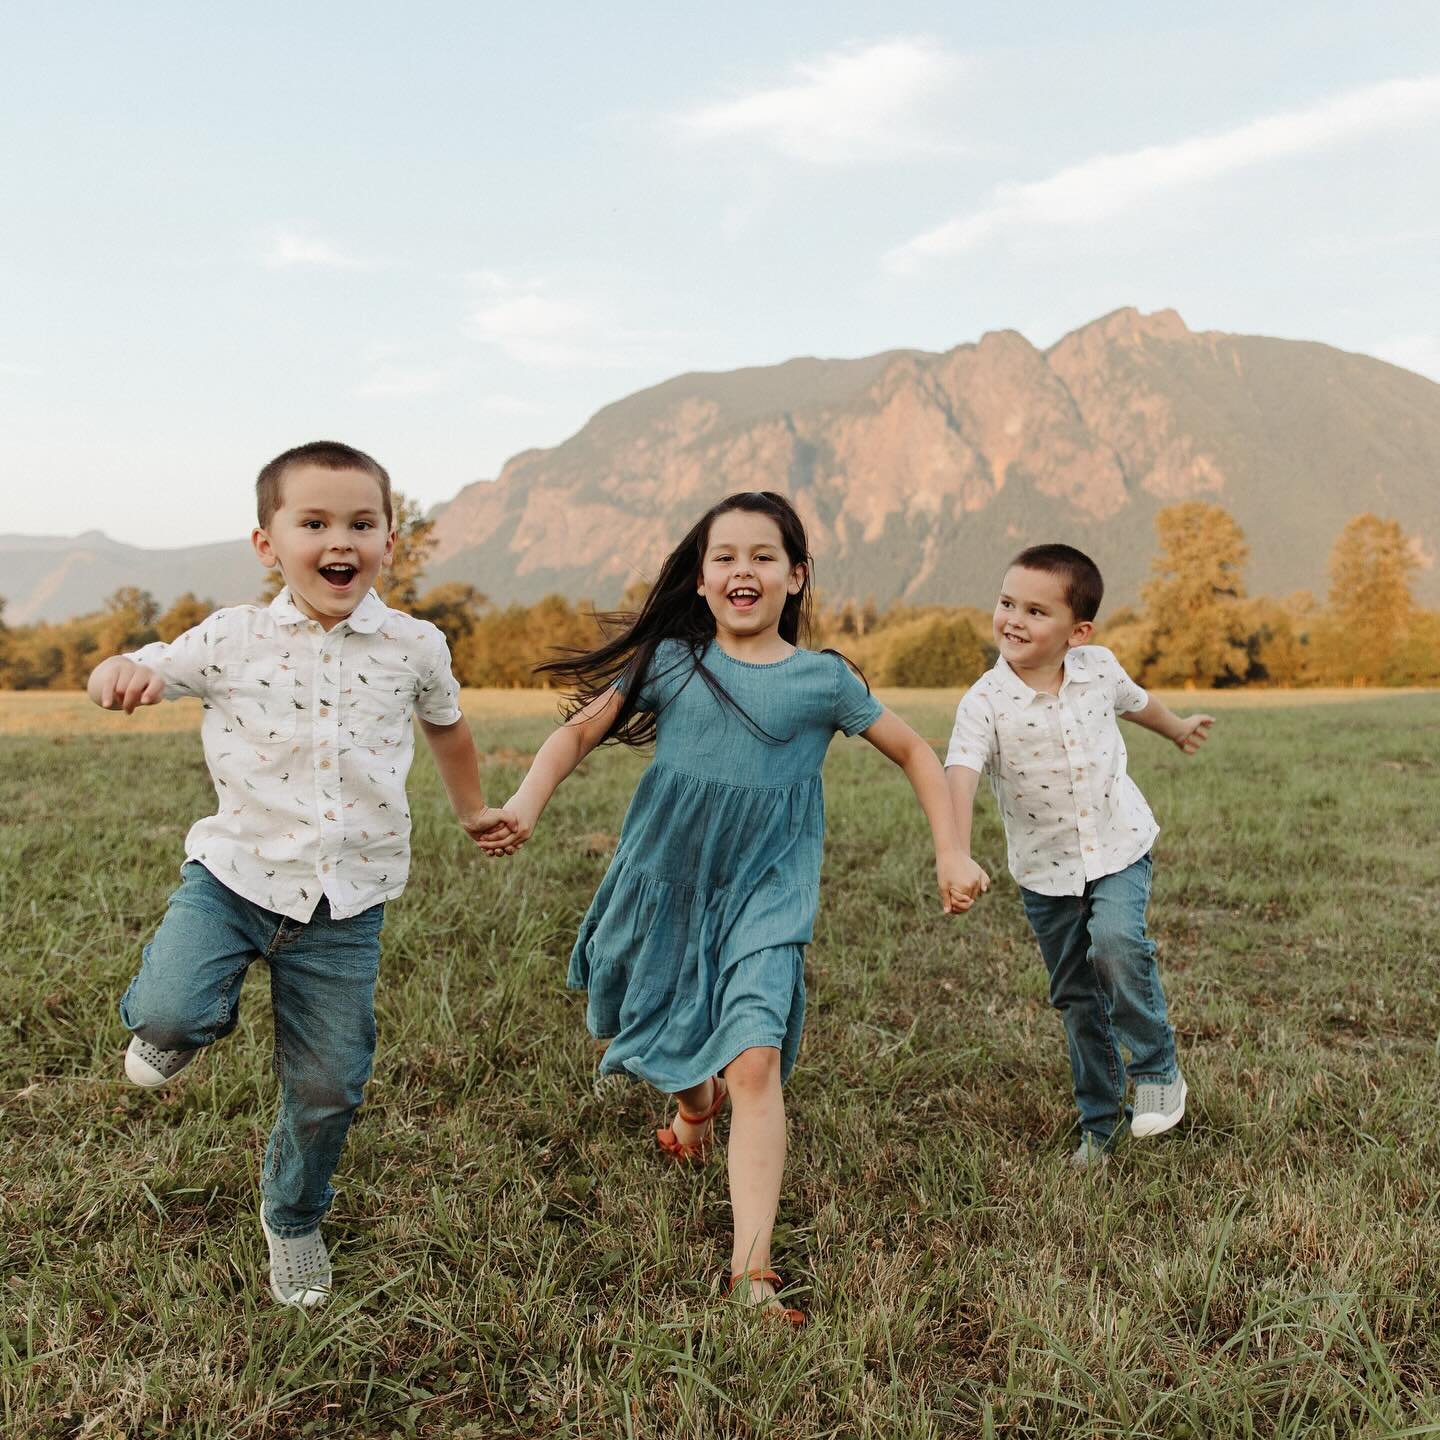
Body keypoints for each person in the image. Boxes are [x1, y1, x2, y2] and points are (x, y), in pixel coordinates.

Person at [479, 491, 983, 1325]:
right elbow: (576, 734)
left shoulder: (824, 680)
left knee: (755, 1058)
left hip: (768, 888)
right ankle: (692, 1105)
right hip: (666, 882)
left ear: (796, 574)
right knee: (658, 1017)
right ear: (702, 579)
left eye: (761, 556)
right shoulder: (673, 663)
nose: (742, 569)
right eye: (724, 557)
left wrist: (951, 849)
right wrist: (527, 803)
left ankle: (752, 1274)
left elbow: (917, 751)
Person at [86, 440, 514, 1306]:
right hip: (235, 877)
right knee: (173, 1003)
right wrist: (115, 673)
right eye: (313, 522)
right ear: (267, 543)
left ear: (391, 540)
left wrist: (471, 808)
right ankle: (169, 1028)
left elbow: (449, 729)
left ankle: (293, 1218)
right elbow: (146, 665)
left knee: (329, 1085)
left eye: (361, 523)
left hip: (347, 902)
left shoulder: (414, 645)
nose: (338, 541)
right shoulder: (232, 637)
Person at [945, 543, 1213, 1169]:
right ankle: (1101, 1124)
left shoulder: (1097, 668)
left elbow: (1136, 700)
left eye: (1036, 611)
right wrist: (954, 850)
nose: (1013, 619)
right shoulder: (983, 701)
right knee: (1075, 996)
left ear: (1078, 631)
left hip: (1119, 846)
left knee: (1117, 945)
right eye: (1007, 602)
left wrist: (1176, 728)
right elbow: (959, 770)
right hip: (1045, 874)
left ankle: (1157, 1071)